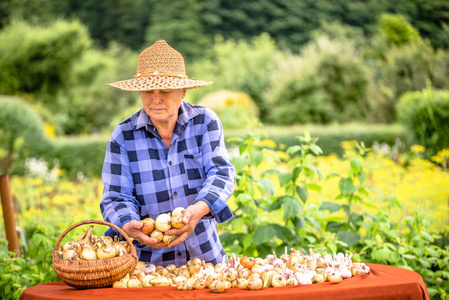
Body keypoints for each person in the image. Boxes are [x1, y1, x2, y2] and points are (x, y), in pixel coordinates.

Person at [100, 40, 236, 267]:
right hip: (148, 266)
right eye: (147, 91)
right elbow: (116, 197)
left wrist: (198, 209)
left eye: (164, 91)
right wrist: (128, 224)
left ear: (183, 91)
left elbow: (221, 173)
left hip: (205, 259)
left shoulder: (204, 122)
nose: (155, 99)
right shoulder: (123, 135)